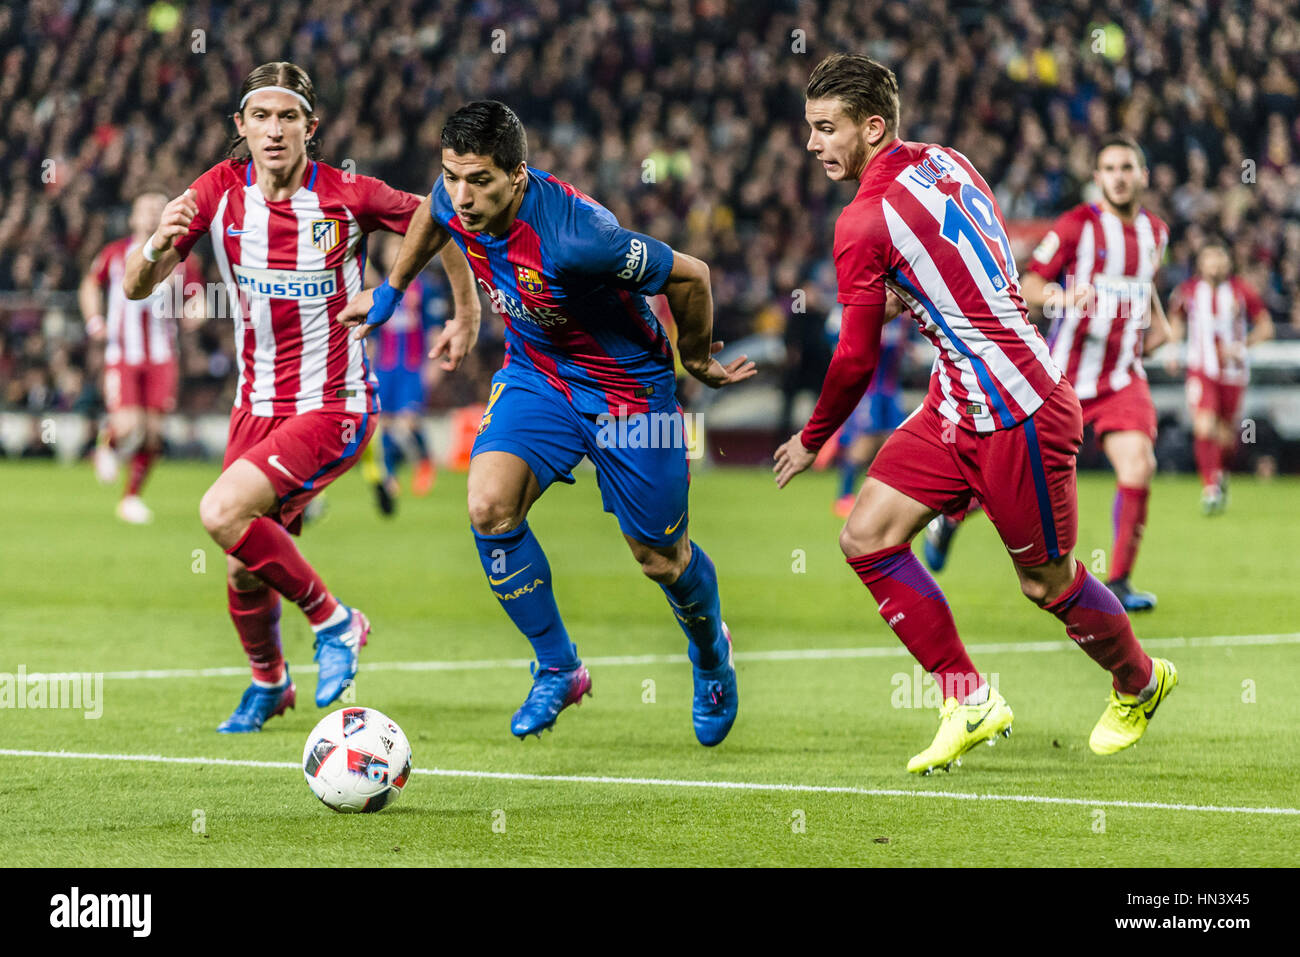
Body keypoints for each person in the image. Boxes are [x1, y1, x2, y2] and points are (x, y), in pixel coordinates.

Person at [773, 54, 1177, 773]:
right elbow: (973, 259)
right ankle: (969, 698)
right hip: (957, 399)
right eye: (810, 129)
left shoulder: (861, 220)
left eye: (824, 128)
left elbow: (857, 359)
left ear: (871, 127)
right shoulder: (946, 161)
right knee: (866, 536)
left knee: (1045, 584)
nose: (811, 144)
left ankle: (1139, 681)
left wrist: (812, 438)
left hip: (1019, 410)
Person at [342, 100, 755, 745]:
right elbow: (431, 214)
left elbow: (691, 276)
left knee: (659, 556)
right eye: (452, 175)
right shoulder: (455, 194)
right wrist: (393, 292)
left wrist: (695, 357)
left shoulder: (580, 238)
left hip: (631, 397)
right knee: (488, 506)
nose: (462, 195)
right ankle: (559, 667)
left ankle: (711, 655)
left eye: (479, 181)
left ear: (519, 175)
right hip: (539, 375)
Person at [122, 61, 479, 732]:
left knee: (221, 509)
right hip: (253, 406)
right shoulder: (219, 193)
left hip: (334, 401)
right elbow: (139, 287)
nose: (275, 130)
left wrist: (465, 315)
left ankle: (337, 621)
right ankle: (271, 682)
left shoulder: (346, 194)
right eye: (261, 116)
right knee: (241, 570)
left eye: (288, 117)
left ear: (311, 127)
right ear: (242, 126)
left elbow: (439, 219)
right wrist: (155, 242)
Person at [923, 137, 1175, 613]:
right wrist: (1059, 299)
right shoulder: (1076, 226)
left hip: (1122, 378)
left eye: (1128, 167)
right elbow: (1030, 281)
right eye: (1109, 168)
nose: (1119, 176)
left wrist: (1158, 326)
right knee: (1019, 483)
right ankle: (952, 517)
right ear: (1097, 178)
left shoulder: (1156, 234)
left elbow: (1144, 290)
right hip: (1061, 380)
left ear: (1143, 175)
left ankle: (1119, 581)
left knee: (1139, 464)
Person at [80, 191, 204, 524]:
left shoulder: (182, 257)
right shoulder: (115, 254)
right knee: (130, 424)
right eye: (144, 210)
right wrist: (95, 322)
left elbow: (198, 297)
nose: (151, 215)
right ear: (133, 218)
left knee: (152, 434)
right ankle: (107, 442)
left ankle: (131, 498)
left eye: (157, 209)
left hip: (163, 355)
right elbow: (90, 285)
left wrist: (197, 312)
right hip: (124, 352)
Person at [1168, 241, 1274, 513]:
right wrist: (1172, 349)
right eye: (1209, 259)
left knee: (1226, 436)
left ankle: (1220, 474)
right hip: (1200, 369)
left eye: (1219, 259)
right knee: (1204, 425)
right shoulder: (1188, 291)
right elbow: (1177, 320)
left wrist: (1242, 346)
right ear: (1201, 263)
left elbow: (1266, 327)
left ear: (1227, 262)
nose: (1214, 265)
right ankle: (1210, 488)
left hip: (1233, 373)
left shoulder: (1241, 291)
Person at [366, 233, 449, 515]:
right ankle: (389, 479)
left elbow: (434, 327)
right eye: (391, 249)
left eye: (401, 248)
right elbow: (374, 333)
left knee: (409, 422)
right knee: (386, 423)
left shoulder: (427, 288)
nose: (396, 253)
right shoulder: (382, 288)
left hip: (412, 366)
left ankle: (425, 461)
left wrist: (435, 363)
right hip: (386, 367)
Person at [831, 309, 915, 517]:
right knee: (864, 443)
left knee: (893, 443)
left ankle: (889, 497)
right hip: (868, 391)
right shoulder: (865, 311)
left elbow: (904, 347)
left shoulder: (903, 318)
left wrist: (910, 350)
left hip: (891, 391)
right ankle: (844, 496)